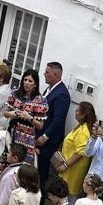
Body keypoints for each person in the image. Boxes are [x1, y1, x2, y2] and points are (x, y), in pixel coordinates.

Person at [35, 61, 71, 194]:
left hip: (49, 140)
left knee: (42, 169)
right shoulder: (50, 89)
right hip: (40, 133)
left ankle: (41, 196)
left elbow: (58, 119)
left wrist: (45, 136)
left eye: (47, 72)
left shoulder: (62, 94)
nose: (44, 74)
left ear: (55, 75)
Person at [3, 68, 48, 163]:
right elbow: (5, 113)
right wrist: (11, 114)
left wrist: (29, 118)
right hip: (12, 133)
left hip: (27, 139)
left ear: (35, 84)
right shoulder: (15, 93)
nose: (26, 83)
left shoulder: (40, 100)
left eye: (30, 81)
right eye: (25, 80)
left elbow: (40, 126)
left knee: (22, 165)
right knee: (8, 160)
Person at [55, 101, 96, 196]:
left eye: (78, 110)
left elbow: (80, 153)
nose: (75, 112)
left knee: (67, 196)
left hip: (72, 171)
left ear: (83, 115)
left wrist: (65, 166)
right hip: (69, 168)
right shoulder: (80, 127)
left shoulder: (83, 131)